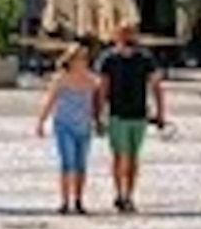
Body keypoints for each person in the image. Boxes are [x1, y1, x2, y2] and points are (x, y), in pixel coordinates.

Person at [96, 22, 166, 214]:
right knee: (119, 156)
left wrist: (160, 113)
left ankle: (129, 195)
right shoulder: (108, 59)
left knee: (133, 157)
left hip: (138, 115)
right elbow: (102, 88)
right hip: (117, 115)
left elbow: (156, 86)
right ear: (116, 36)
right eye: (123, 34)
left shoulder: (145, 58)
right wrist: (98, 115)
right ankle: (119, 193)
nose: (127, 38)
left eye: (130, 34)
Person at [35, 43, 104, 215]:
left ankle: (79, 200)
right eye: (79, 58)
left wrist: (99, 121)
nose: (83, 61)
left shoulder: (92, 80)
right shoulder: (61, 79)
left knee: (81, 165)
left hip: (84, 126)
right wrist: (41, 122)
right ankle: (65, 201)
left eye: (85, 58)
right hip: (64, 125)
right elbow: (49, 101)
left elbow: (97, 104)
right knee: (67, 163)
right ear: (71, 60)